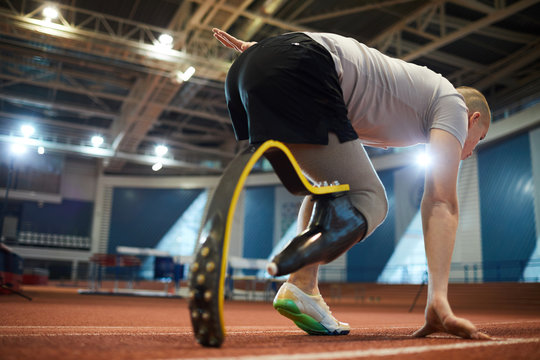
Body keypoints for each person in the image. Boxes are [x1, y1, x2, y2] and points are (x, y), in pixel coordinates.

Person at [213, 28, 492, 340]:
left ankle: (303, 284)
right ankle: (298, 263)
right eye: (477, 141)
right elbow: (441, 202)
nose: (468, 153)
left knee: (333, 186)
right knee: (372, 199)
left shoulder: (413, 103)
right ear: (472, 119)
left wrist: (263, 53)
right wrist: (438, 301)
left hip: (250, 69)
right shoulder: (454, 104)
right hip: (303, 65)